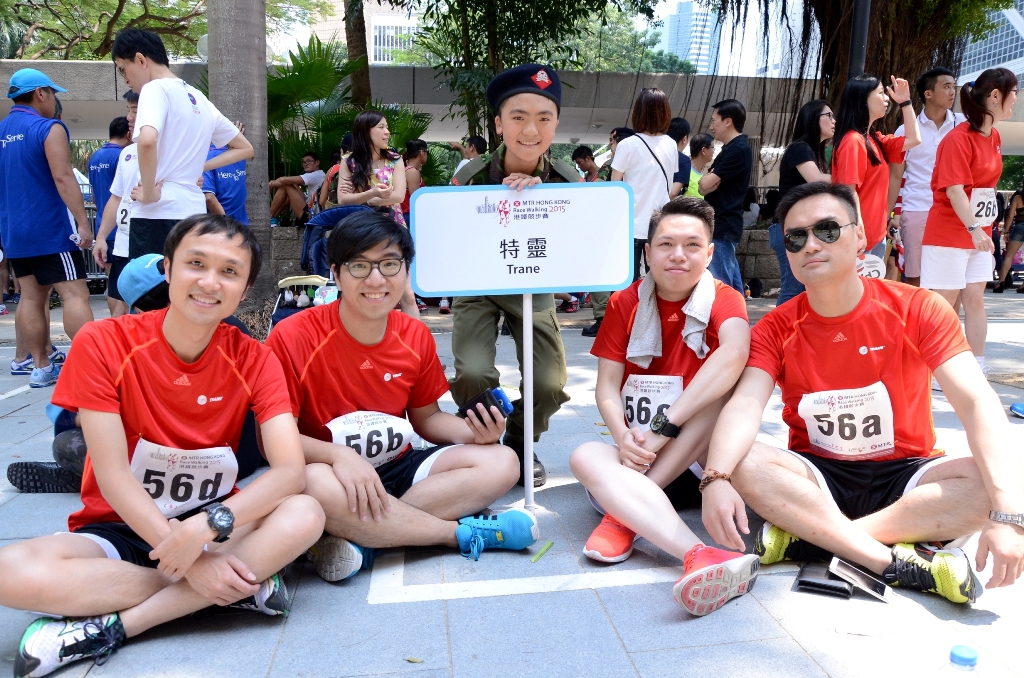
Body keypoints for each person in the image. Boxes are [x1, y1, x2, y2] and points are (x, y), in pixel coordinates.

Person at [0, 215, 327, 678]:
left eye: (229, 271)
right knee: (9, 572)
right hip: (122, 527)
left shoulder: (256, 358)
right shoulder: (103, 341)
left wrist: (205, 530)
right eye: (196, 264)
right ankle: (233, 588)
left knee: (306, 512)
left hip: (215, 526)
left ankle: (118, 626)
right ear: (168, 269)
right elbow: (113, 476)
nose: (210, 282)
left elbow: (290, 470)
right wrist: (194, 567)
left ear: (245, 289)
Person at [701, 181, 1024, 606]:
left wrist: (1008, 516)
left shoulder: (920, 307)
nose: (811, 244)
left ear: (860, 237)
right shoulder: (775, 328)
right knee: (740, 460)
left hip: (908, 473)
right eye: (795, 237)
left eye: (827, 230)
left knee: (995, 481)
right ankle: (890, 561)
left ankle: (811, 538)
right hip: (817, 475)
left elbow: (976, 402)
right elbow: (745, 404)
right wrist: (716, 478)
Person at [267, 211, 538, 580]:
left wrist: (474, 433)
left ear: (406, 272)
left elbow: (427, 419)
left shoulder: (414, 334)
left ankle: (367, 539)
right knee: (313, 482)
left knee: (503, 461)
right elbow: (274, 441)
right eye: (359, 265)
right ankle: (457, 534)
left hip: (401, 465)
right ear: (336, 273)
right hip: (332, 472)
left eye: (390, 264)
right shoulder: (292, 336)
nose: (376, 279)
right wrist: (339, 455)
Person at [569, 197, 759, 616]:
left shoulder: (725, 298)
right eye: (666, 244)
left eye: (692, 245)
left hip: (696, 459)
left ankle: (622, 518)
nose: (678, 255)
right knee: (583, 455)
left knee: (720, 395)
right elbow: (606, 388)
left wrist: (665, 427)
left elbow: (735, 351)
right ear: (648, 251)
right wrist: (623, 437)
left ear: (709, 253)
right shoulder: (625, 302)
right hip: (636, 460)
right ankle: (700, 554)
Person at [7, 253, 268, 494]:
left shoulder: (135, 342)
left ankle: (97, 480)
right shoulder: (234, 328)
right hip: (245, 457)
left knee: (69, 443)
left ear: (139, 310)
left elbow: (76, 418)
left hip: (181, 465)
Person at [448, 64, 581, 487]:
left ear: (556, 124)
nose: (531, 129)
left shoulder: (568, 180)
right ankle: (485, 439)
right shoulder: (468, 178)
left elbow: (582, 241)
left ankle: (522, 441)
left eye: (544, 118)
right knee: (473, 373)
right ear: (498, 124)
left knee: (549, 383)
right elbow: (449, 236)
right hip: (478, 285)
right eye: (518, 117)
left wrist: (544, 201)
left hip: (533, 284)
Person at [112, 29, 253, 259]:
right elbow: (245, 148)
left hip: (156, 215)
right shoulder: (200, 98)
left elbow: (146, 141)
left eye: (122, 69)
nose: (125, 79)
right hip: (193, 214)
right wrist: (198, 167)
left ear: (140, 60)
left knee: (149, 282)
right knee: (183, 281)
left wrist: (149, 193)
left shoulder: (154, 88)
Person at [0, 68, 95, 388]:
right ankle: (91, 366)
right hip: (50, 228)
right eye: (52, 93)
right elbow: (63, 177)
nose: (54, 100)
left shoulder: (1, 131)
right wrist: (83, 223)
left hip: (14, 232)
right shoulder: (48, 127)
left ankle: (40, 367)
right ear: (40, 93)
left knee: (30, 296)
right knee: (75, 294)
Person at [921, 68, 1015, 378]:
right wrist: (975, 229)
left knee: (975, 299)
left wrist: (983, 230)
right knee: (943, 303)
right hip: (949, 233)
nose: (1016, 98)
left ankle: (975, 365)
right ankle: (937, 371)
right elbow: (954, 190)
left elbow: (984, 191)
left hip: (979, 234)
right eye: (1013, 92)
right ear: (995, 96)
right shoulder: (958, 138)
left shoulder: (995, 136)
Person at [832, 74, 921, 260]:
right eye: (881, 93)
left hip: (874, 237)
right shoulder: (853, 141)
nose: (887, 98)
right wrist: (858, 230)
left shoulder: (874, 139)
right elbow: (848, 191)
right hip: (859, 240)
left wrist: (905, 102)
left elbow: (914, 139)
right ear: (863, 98)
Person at [889, 67, 963, 287]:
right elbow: (896, 176)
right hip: (917, 208)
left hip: (955, 211)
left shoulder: (963, 125)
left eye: (953, 86)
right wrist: (888, 214)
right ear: (928, 93)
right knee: (915, 276)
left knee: (953, 280)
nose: (952, 92)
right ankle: (916, 312)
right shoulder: (905, 130)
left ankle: (946, 313)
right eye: (946, 87)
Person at [768, 99, 834, 306]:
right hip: (788, 228)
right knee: (794, 287)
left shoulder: (814, 153)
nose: (834, 121)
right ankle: (779, 327)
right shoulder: (800, 148)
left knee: (802, 287)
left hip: (797, 228)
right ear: (813, 119)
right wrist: (851, 177)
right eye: (829, 116)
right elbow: (816, 179)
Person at [611, 88, 678, 282]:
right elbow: (668, 185)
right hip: (660, 225)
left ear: (638, 112)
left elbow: (615, 188)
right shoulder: (671, 144)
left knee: (627, 283)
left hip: (630, 225)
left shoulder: (627, 145)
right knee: (658, 281)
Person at [584, 130, 636, 338]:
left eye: (611, 141)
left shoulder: (613, 167)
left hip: (613, 228)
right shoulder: (637, 163)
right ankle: (617, 320)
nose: (610, 145)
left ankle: (605, 319)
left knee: (602, 273)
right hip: (630, 227)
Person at [698, 100, 752, 293]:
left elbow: (704, 184)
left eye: (714, 120)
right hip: (723, 226)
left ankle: (724, 314)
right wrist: (707, 182)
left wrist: (708, 181)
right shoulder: (731, 149)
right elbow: (703, 188)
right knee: (733, 290)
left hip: (723, 225)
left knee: (721, 289)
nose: (711, 126)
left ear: (728, 121)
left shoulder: (737, 150)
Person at [94, 91, 140, 318]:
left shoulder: (173, 151)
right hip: (122, 244)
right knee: (119, 303)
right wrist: (101, 237)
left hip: (152, 243)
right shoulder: (126, 154)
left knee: (147, 307)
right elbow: (116, 197)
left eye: (135, 110)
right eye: (128, 110)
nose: (129, 117)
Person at [88, 116, 130, 267]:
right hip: (120, 227)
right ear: (129, 134)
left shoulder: (95, 157)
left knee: (111, 275)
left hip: (103, 226)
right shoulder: (123, 156)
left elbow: (93, 195)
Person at [203, 123, 249, 224]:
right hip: (232, 226)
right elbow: (209, 198)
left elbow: (209, 197)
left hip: (221, 226)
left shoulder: (205, 158)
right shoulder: (240, 156)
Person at [269, 152, 323, 227]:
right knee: (292, 184)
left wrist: (271, 184)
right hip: (312, 212)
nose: (305, 164)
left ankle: (269, 217)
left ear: (317, 162)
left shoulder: (316, 175)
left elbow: (282, 180)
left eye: (308, 161)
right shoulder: (320, 174)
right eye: (304, 162)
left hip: (310, 216)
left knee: (286, 185)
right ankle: (273, 218)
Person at [996, 179, 1024, 293]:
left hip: (1019, 227)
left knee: (1009, 256)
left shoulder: (1018, 198)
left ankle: (1001, 282)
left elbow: (1010, 216)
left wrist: (1006, 231)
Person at [667, 117, 692, 199]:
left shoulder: (657, 153)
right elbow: (673, 193)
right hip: (666, 205)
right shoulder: (684, 160)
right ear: (684, 139)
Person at [685, 133, 714, 199]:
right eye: (712, 148)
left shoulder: (701, 176)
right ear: (703, 150)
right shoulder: (685, 173)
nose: (713, 152)